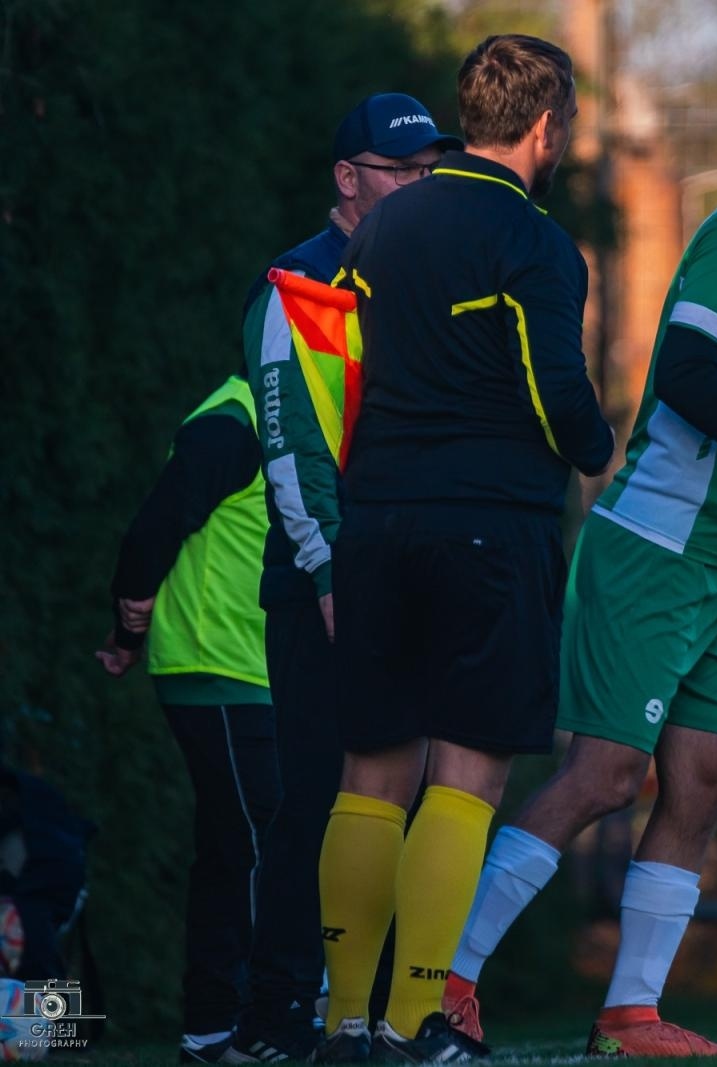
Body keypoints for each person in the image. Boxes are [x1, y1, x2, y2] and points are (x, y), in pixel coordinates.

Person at [440, 60, 717, 1059]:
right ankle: (448, 981)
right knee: (606, 776)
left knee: (700, 780)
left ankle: (630, 1014)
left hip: (712, 567)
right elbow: (687, 376)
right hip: (654, 549)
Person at [313, 34, 615, 1063]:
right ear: (546, 127)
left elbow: (344, 372)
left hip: (377, 519)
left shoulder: (381, 227)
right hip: (489, 525)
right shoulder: (535, 242)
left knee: (370, 772)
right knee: (467, 775)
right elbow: (553, 390)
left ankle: (342, 1015)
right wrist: (594, 446)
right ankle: (411, 1021)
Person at [232, 93, 460, 1064]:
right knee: (316, 799)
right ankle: (278, 1015)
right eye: (398, 169)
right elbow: (290, 445)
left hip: (408, 574)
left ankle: (376, 1012)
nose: (417, 184)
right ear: (348, 178)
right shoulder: (299, 282)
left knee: (398, 797)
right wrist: (328, 573)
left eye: (426, 169)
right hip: (323, 586)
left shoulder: (423, 273)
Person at [97, 371, 279, 1063]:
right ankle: (256, 1021)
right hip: (217, 668)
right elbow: (153, 527)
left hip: (251, 671)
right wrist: (128, 624)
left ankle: (216, 1026)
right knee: (256, 844)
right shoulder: (234, 420)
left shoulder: (279, 417)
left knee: (240, 845)